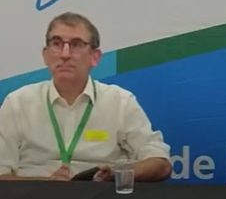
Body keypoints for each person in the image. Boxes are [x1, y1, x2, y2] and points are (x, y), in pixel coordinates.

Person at [0, 12, 172, 182]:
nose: (65, 54)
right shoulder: (18, 103)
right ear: (45, 55)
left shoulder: (120, 102)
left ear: (94, 57)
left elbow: (160, 163)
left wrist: (119, 173)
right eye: (56, 44)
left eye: (76, 44)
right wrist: (46, 184)